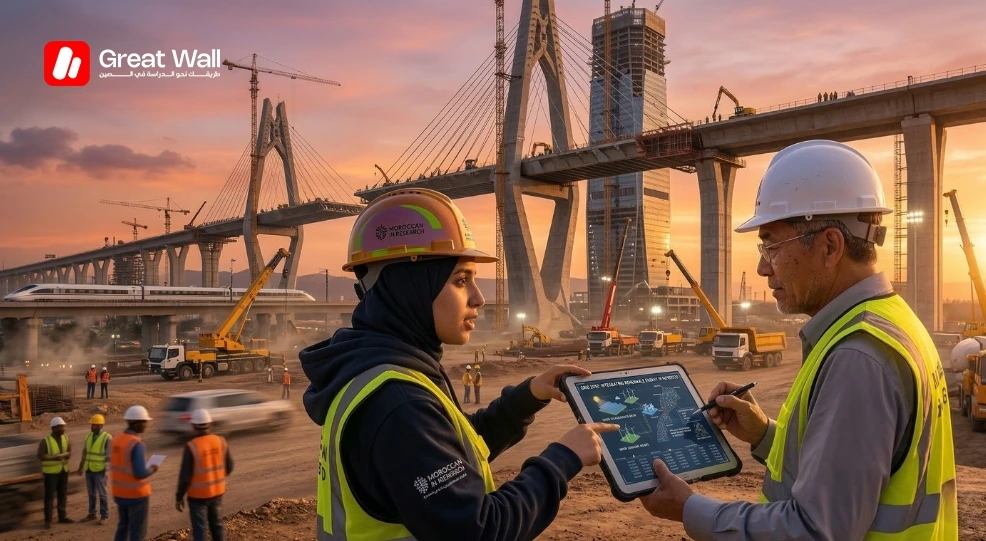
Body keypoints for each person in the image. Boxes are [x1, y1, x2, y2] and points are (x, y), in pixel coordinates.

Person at [638, 140, 957, 539]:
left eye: (771, 244)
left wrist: (689, 509)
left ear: (829, 246)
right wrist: (765, 435)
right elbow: (853, 471)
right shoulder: (892, 322)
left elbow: (816, 530)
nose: (761, 267)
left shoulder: (859, 357)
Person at [300, 188, 617, 540]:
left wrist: (526, 398)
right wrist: (563, 458)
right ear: (411, 288)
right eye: (461, 280)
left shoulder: (377, 373)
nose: (479, 298)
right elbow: (481, 530)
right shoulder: (398, 401)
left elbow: (449, 453)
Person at [176, 409, 234, 541]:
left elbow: (185, 477)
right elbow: (229, 467)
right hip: (217, 492)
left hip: (198, 497)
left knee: (200, 529)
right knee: (217, 525)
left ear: (193, 426)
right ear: (210, 424)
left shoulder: (191, 446)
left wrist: (179, 497)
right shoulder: (221, 441)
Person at [111, 405, 160, 541]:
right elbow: (140, 473)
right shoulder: (137, 444)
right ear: (136, 423)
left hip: (119, 493)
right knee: (137, 533)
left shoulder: (116, 440)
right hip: (136, 496)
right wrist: (153, 468)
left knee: (123, 527)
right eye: (144, 422)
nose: (146, 424)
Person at [38, 416, 73, 529]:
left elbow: (69, 452)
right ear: (53, 428)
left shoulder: (66, 438)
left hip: (63, 471)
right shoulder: (45, 441)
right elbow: (40, 456)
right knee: (49, 497)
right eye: (60, 427)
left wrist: (67, 455)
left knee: (62, 495)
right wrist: (53, 458)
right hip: (50, 473)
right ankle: (48, 520)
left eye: (63, 427)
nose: (63, 429)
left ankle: (62, 517)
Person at [78, 413, 112, 525]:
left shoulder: (107, 437)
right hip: (89, 469)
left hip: (100, 471)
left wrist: (106, 470)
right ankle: (92, 514)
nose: (91, 427)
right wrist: (81, 466)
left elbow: (109, 456)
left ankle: (104, 515)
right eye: (92, 424)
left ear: (100, 426)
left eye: (94, 425)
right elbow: (85, 451)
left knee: (102, 494)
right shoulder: (88, 436)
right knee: (91, 494)